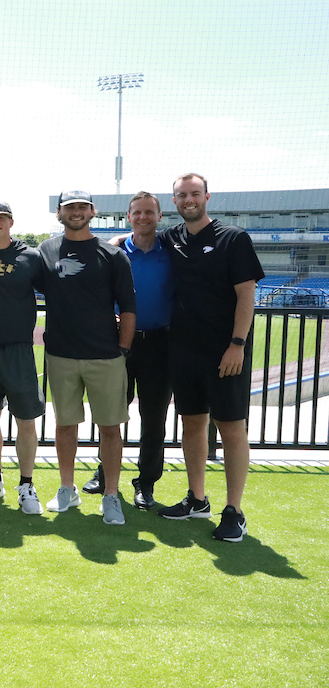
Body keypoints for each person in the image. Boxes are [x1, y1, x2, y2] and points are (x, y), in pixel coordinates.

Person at [154, 173, 263, 542]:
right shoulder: (171, 237)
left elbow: (246, 295)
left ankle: (234, 511)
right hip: (183, 349)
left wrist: (237, 343)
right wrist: (117, 239)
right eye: (182, 194)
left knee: (231, 428)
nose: (189, 199)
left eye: (195, 193)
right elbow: (137, 238)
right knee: (192, 424)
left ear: (207, 197)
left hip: (225, 352)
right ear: (174, 201)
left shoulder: (233, 238)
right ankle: (197, 499)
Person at [36, 190, 136, 525]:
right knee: (65, 425)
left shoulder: (113, 255)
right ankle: (67, 487)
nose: (76, 212)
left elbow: (128, 306)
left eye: (82, 206)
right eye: (69, 207)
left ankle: (111, 495)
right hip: (61, 354)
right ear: (59, 213)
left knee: (110, 428)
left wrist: (122, 348)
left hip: (105, 356)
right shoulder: (46, 250)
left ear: (92, 211)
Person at [84, 191, 173, 510]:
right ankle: (105, 472)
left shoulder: (172, 250)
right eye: (137, 212)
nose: (143, 217)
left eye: (149, 212)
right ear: (129, 216)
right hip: (119, 342)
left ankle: (146, 482)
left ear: (159, 216)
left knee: (154, 417)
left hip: (159, 344)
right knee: (111, 413)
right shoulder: (116, 250)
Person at [0, 200, 46, 514]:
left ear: (11, 222)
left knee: (26, 419)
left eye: (1, 217)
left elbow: (56, 292)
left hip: (18, 349)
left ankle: (27, 484)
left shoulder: (30, 257)